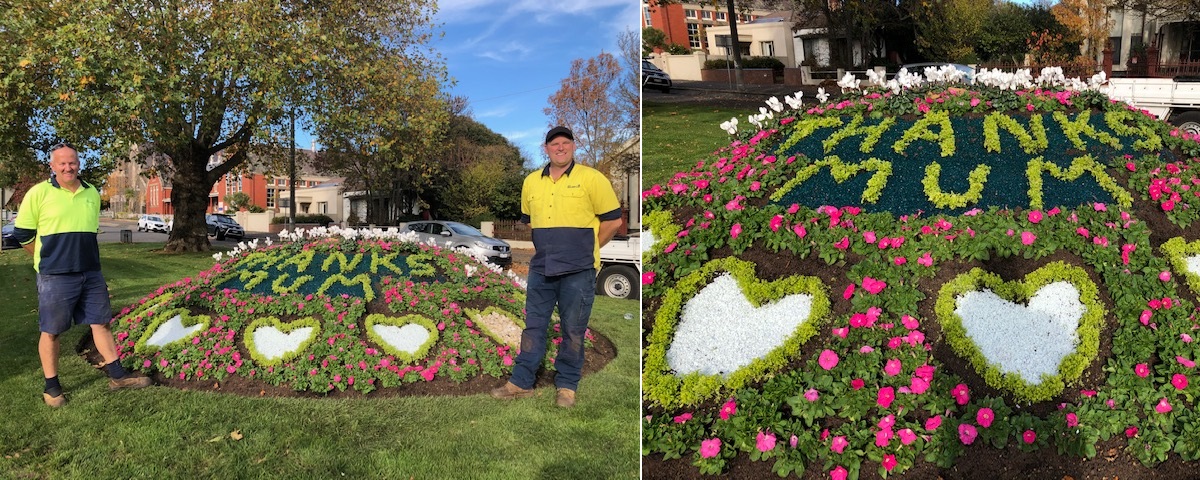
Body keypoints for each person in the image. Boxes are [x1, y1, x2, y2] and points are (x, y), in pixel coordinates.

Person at [491, 126, 622, 408]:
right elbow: (530, 221)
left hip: (579, 270)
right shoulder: (531, 182)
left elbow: (613, 221)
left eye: (565, 143)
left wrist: (590, 250)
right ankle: (521, 382)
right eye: (554, 144)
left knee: (573, 329)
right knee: (533, 327)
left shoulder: (592, 178)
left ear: (574, 146)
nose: (560, 148)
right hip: (541, 269)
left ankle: (566, 385)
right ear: (546, 148)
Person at [13, 143, 152, 407]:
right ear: (52, 166)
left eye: (72, 162)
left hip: (90, 272)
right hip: (55, 275)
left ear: (79, 164)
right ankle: (52, 387)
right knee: (51, 331)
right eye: (62, 163)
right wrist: (41, 258)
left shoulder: (91, 193)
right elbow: (22, 234)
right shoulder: (38, 193)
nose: (68, 167)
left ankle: (118, 376)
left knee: (101, 324)